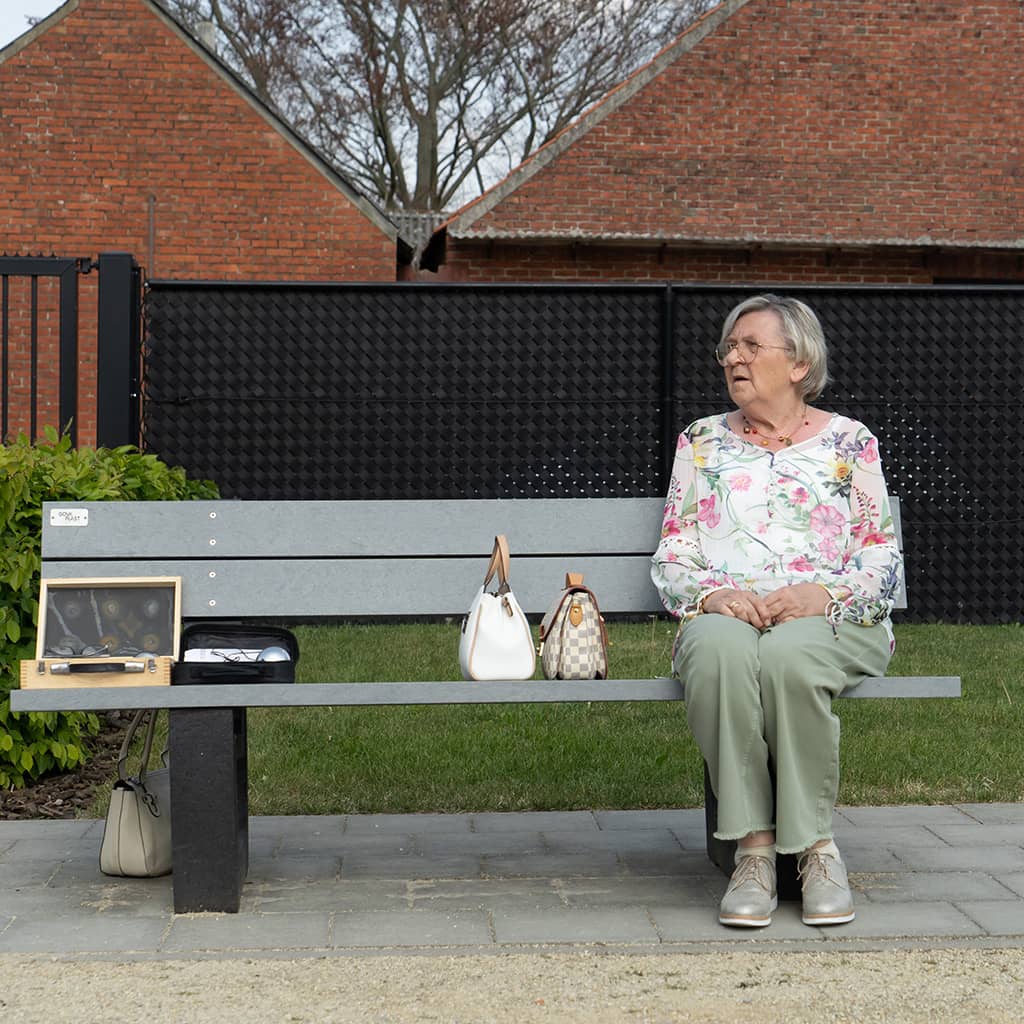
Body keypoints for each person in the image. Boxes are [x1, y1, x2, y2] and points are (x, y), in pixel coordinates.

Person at [651, 294, 902, 929]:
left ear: (799, 363)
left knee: (791, 656)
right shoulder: (701, 441)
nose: (733, 357)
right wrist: (712, 598)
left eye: (750, 346)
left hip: (838, 619)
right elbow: (675, 548)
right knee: (717, 651)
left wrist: (825, 595)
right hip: (728, 617)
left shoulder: (850, 441)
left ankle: (816, 847)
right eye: (728, 348)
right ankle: (754, 851)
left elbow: (881, 554)